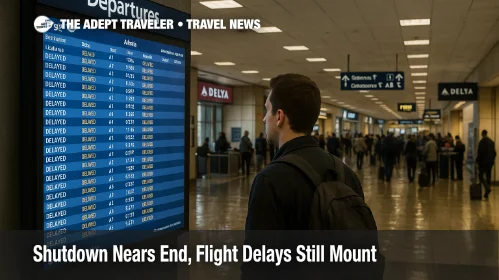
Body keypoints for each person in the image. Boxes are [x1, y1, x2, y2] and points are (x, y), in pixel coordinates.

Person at [244, 73, 364, 231]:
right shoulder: (346, 174)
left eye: (267, 110)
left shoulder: (270, 181)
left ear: (279, 116)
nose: (265, 119)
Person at [476, 130, 496, 198]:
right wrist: (492, 160)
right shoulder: (491, 142)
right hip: (490, 163)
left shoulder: (481, 142)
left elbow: (480, 153)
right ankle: (487, 193)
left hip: (483, 163)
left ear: (482, 134)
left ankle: (487, 188)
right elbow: (494, 153)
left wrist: (477, 161)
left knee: (481, 176)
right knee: (488, 176)